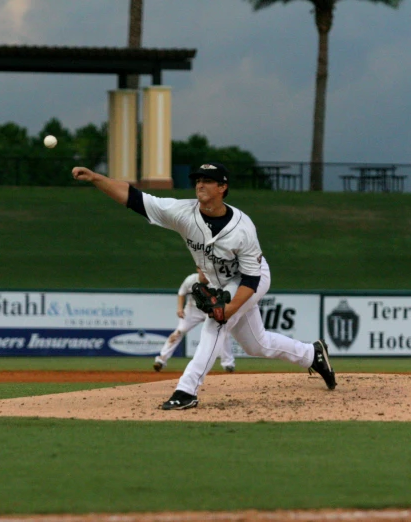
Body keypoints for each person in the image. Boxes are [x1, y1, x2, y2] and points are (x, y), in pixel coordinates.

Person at [71, 161, 336, 410]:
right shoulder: (183, 213)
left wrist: (229, 308)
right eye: (198, 179)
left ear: (222, 187)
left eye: (208, 180)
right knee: (257, 345)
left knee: (216, 323)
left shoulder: (243, 228)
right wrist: (96, 178)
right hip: (221, 282)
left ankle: (186, 391)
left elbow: (252, 279)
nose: (200, 184)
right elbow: (134, 198)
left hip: (250, 280)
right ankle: (312, 354)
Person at [154, 268, 236, 373]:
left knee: (223, 332)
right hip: (193, 310)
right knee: (180, 331)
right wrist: (180, 308)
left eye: (206, 270)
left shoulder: (216, 281)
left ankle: (228, 364)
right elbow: (181, 293)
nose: (204, 273)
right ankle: (161, 360)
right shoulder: (191, 280)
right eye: (202, 270)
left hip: (211, 310)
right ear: (198, 270)